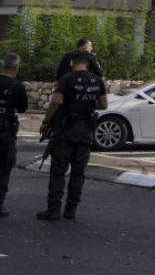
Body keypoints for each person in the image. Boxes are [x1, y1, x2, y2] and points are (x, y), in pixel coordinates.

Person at [38, 50, 107, 221]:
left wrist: (46, 121)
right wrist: (87, 104)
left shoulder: (67, 78)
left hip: (66, 129)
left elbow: (55, 101)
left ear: (72, 64)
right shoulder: (97, 81)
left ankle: (53, 210)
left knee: (58, 171)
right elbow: (103, 105)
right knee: (78, 172)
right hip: (85, 131)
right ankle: (71, 209)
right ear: (88, 64)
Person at [0, 53, 28, 219]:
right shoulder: (17, 86)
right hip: (5, 132)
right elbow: (23, 108)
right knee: (3, 168)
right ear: (16, 67)